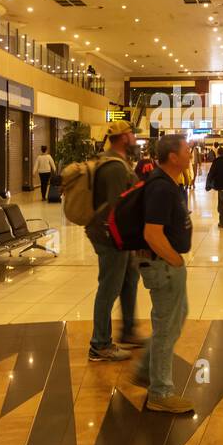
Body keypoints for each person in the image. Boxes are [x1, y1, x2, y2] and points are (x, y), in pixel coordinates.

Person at [135, 134, 195, 413]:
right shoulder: (161, 187)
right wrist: (175, 261)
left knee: (176, 316)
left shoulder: (167, 183)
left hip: (166, 264)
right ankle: (160, 391)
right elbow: (151, 233)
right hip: (163, 266)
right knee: (166, 328)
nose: (190, 153)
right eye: (186, 150)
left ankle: (149, 369)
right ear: (173, 157)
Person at [86, 120, 147, 360]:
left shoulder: (118, 162)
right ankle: (99, 344)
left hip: (116, 235)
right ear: (123, 137)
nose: (135, 139)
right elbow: (117, 208)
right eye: (132, 134)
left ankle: (129, 330)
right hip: (110, 236)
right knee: (109, 288)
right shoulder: (114, 167)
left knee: (130, 278)